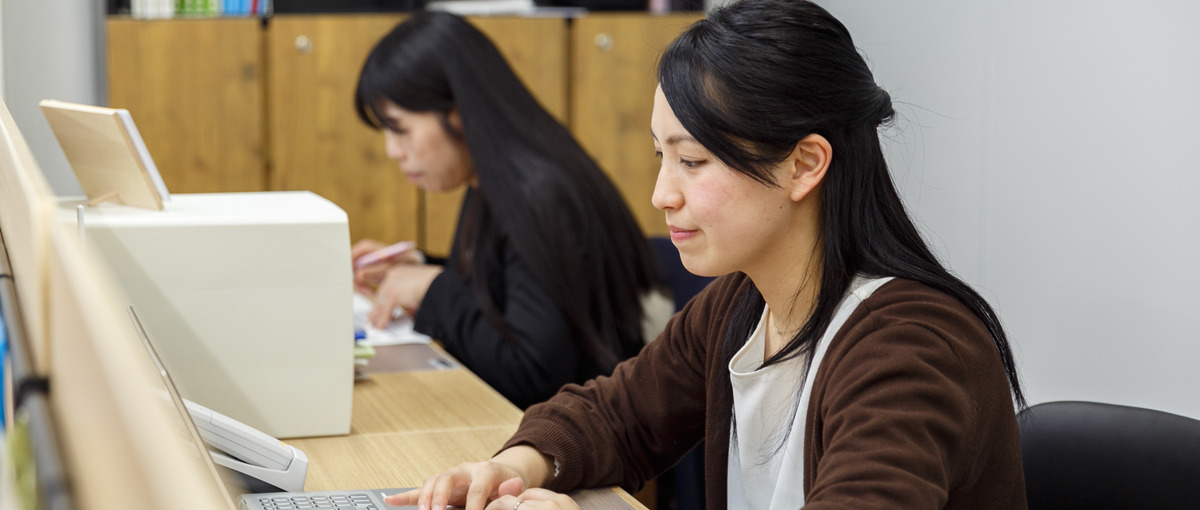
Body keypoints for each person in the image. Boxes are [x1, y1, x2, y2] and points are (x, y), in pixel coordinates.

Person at [387, 1, 1028, 509]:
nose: (662, 194)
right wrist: (508, 469)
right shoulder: (742, 304)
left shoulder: (911, 347)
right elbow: (616, 416)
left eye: (693, 161)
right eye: (661, 157)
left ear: (804, 164)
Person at [350, 11, 658, 409]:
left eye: (401, 129)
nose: (393, 150)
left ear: (457, 112)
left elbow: (534, 372)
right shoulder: (504, 176)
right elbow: (510, 285)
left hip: (577, 445)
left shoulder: (537, 194)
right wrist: (419, 265)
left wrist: (433, 289)